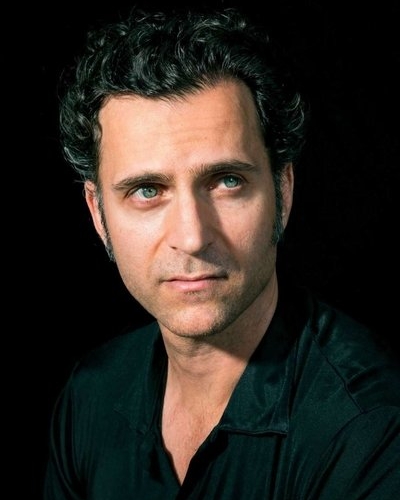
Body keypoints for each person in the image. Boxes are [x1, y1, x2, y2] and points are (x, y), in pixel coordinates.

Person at [43, 5, 400, 499]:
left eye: (227, 181)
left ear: (283, 192)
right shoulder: (91, 393)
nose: (192, 236)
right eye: (147, 191)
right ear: (98, 214)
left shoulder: (371, 427)